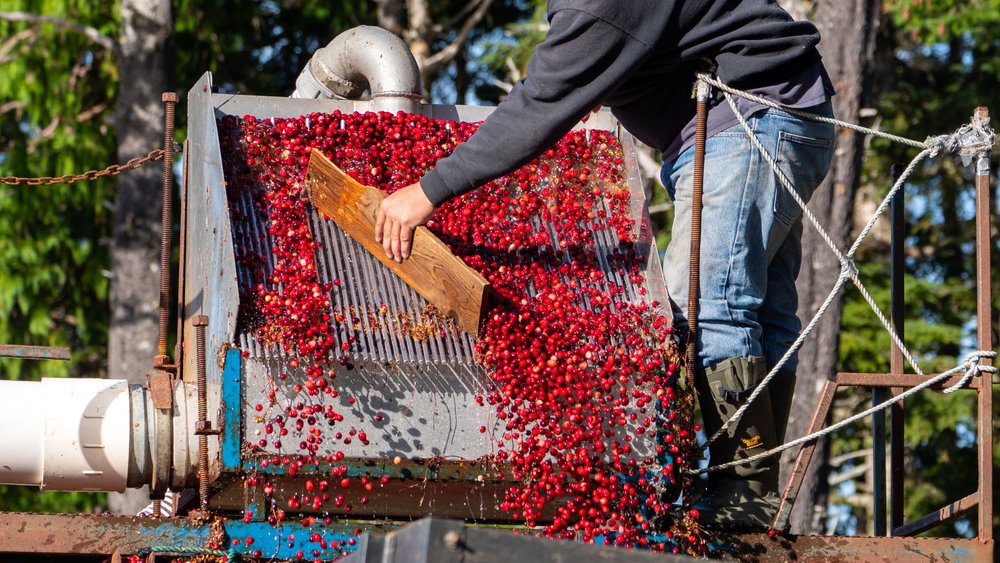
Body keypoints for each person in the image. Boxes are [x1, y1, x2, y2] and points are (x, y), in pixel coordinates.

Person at [375, 0, 835, 532]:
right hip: (781, 113)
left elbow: (541, 102)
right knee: (761, 307)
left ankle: (741, 496)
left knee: (710, 307)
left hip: (752, 122)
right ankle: (751, 494)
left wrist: (428, 191)